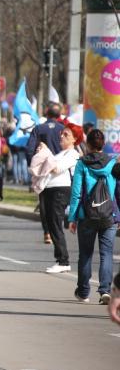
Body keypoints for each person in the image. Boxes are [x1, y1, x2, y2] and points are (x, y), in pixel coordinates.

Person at [68, 129, 117, 305]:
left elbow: (75, 193)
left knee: (85, 254)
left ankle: (83, 292)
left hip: (86, 216)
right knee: (106, 254)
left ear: (87, 145)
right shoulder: (112, 163)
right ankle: (105, 290)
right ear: (103, 144)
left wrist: (72, 218)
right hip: (108, 215)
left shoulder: (82, 164)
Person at [30, 124, 82, 274]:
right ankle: (61, 259)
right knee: (50, 222)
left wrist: (46, 152)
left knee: (55, 223)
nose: (62, 136)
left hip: (60, 191)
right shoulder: (60, 153)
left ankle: (63, 260)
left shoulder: (73, 154)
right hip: (49, 190)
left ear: (74, 139)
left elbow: (56, 168)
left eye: (66, 135)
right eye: (62, 133)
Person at [27, 102, 64, 244]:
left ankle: (47, 232)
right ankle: (57, 229)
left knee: (44, 202)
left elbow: (30, 149)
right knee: (58, 202)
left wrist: (33, 166)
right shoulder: (63, 130)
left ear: (47, 114)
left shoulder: (39, 129)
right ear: (59, 115)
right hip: (60, 170)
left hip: (43, 170)